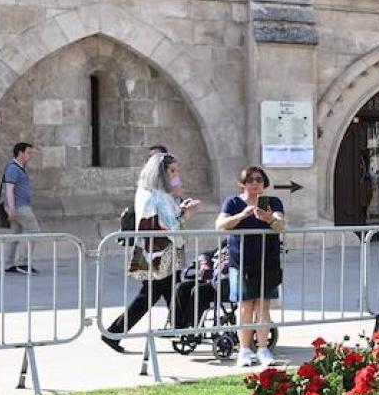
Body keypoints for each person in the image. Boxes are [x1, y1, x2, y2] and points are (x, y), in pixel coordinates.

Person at [102, 152, 199, 351]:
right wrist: (186, 214)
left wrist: (180, 208)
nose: (175, 175)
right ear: (161, 173)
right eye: (172, 171)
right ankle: (116, 332)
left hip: (157, 251)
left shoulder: (153, 193)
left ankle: (180, 329)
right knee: (155, 294)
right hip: (159, 252)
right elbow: (167, 225)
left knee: (166, 291)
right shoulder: (155, 195)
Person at [216, 165, 285, 366]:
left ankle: (263, 349)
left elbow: (281, 225)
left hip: (268, 261)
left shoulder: (273, 202)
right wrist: (242, 216)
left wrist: (269, 218)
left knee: (263, 305)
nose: (255, 183)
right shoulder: (233, 202)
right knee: (246, 306)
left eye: (259, 179)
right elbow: (219, 225)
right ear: (242, 183)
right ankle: (244, 350)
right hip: (242, 261)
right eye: (250, 180)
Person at [1, 141, 40, 274]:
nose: (30, 155)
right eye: (28, 152)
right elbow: (9, 189)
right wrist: (12, 208)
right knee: (34, 232)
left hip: (18, 206)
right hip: (20, 207)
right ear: (20, 153)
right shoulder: (13, 168)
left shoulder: (18, 167)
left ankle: (8, 264)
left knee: (15, 234)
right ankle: (23, 263)